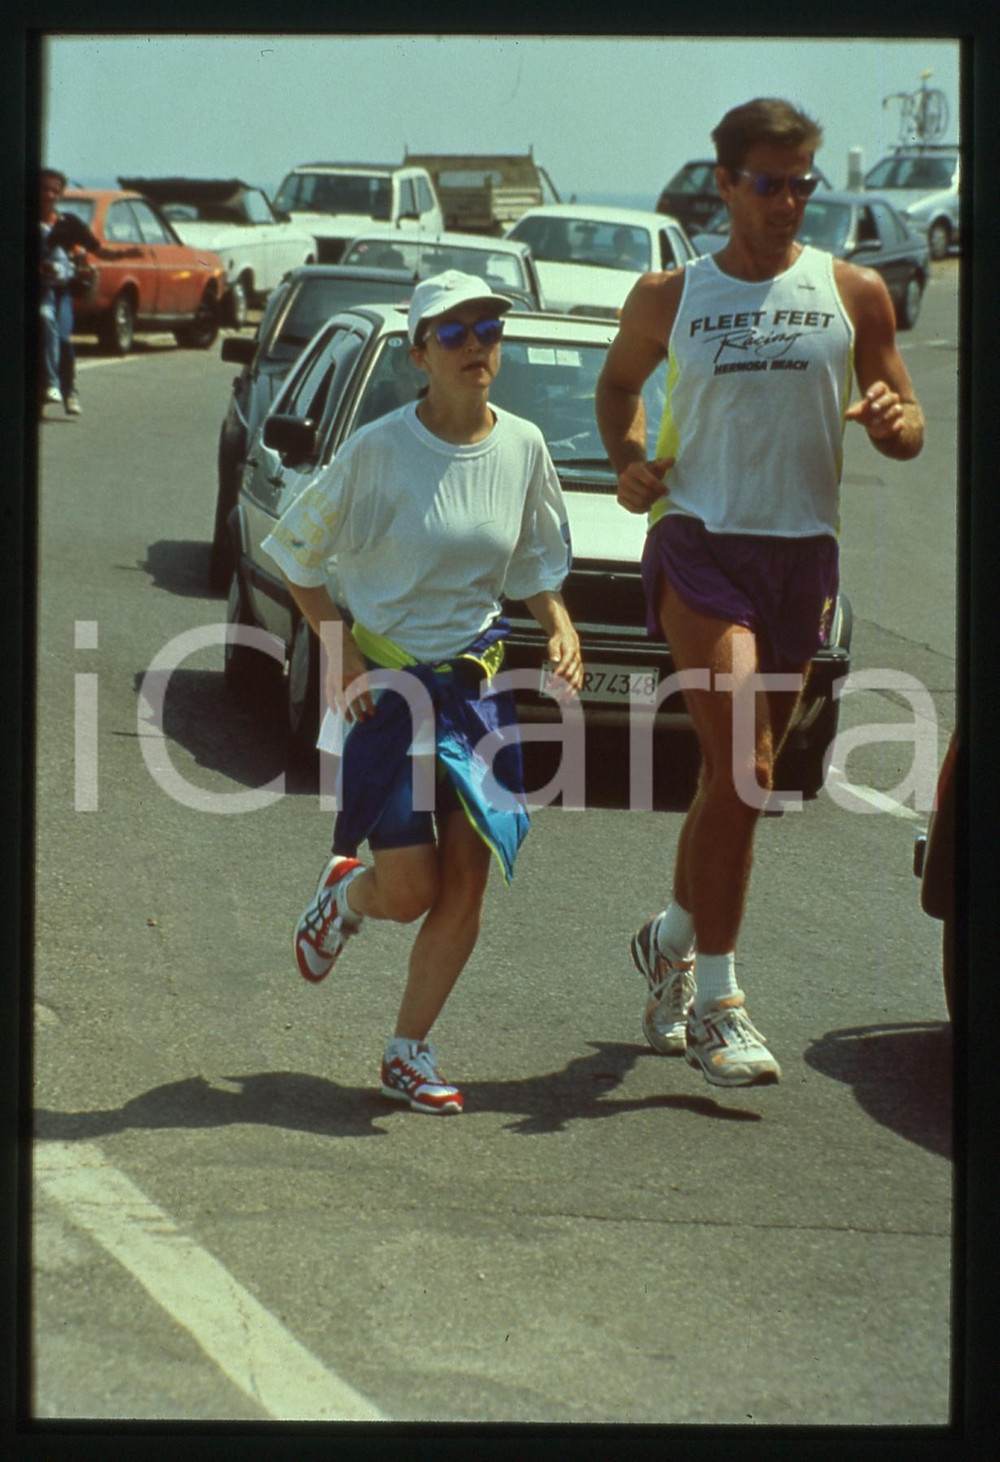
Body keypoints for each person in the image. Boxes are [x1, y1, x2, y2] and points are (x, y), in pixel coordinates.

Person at [595, 98, 924, 1088]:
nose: (787, 203)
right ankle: (717, 1002)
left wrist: (892, 419)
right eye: (768, 184)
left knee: (733, 777)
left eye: (801, 185)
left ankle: (668, 940)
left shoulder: (853, 290)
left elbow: (909, 424)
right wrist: (628, 461)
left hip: (801, 556)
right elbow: (617, 389)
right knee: (746, 765)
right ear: (726, 184)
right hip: (698, 541)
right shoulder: (669, 296)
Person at [261, 270, 583, 1115]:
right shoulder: (378, 451)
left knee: (468, 881)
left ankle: (408, 1051)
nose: (476, 345)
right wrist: (339, 652)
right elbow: (294, 554)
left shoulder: (523, 446)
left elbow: (533, 560)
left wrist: (558, 622)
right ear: (419, 354)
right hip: (391, 693)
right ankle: (343, 898)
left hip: (475, 692)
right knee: (409, 891)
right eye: (454, 333)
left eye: (488, 330)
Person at [39, 168, 100, 417]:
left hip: (60, 290)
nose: (49, 195)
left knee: (62, 338)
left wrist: (81, 258)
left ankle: (69, 390)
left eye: (55, 190)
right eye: (44, 189)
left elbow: (86, 249)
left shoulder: (65, 223)